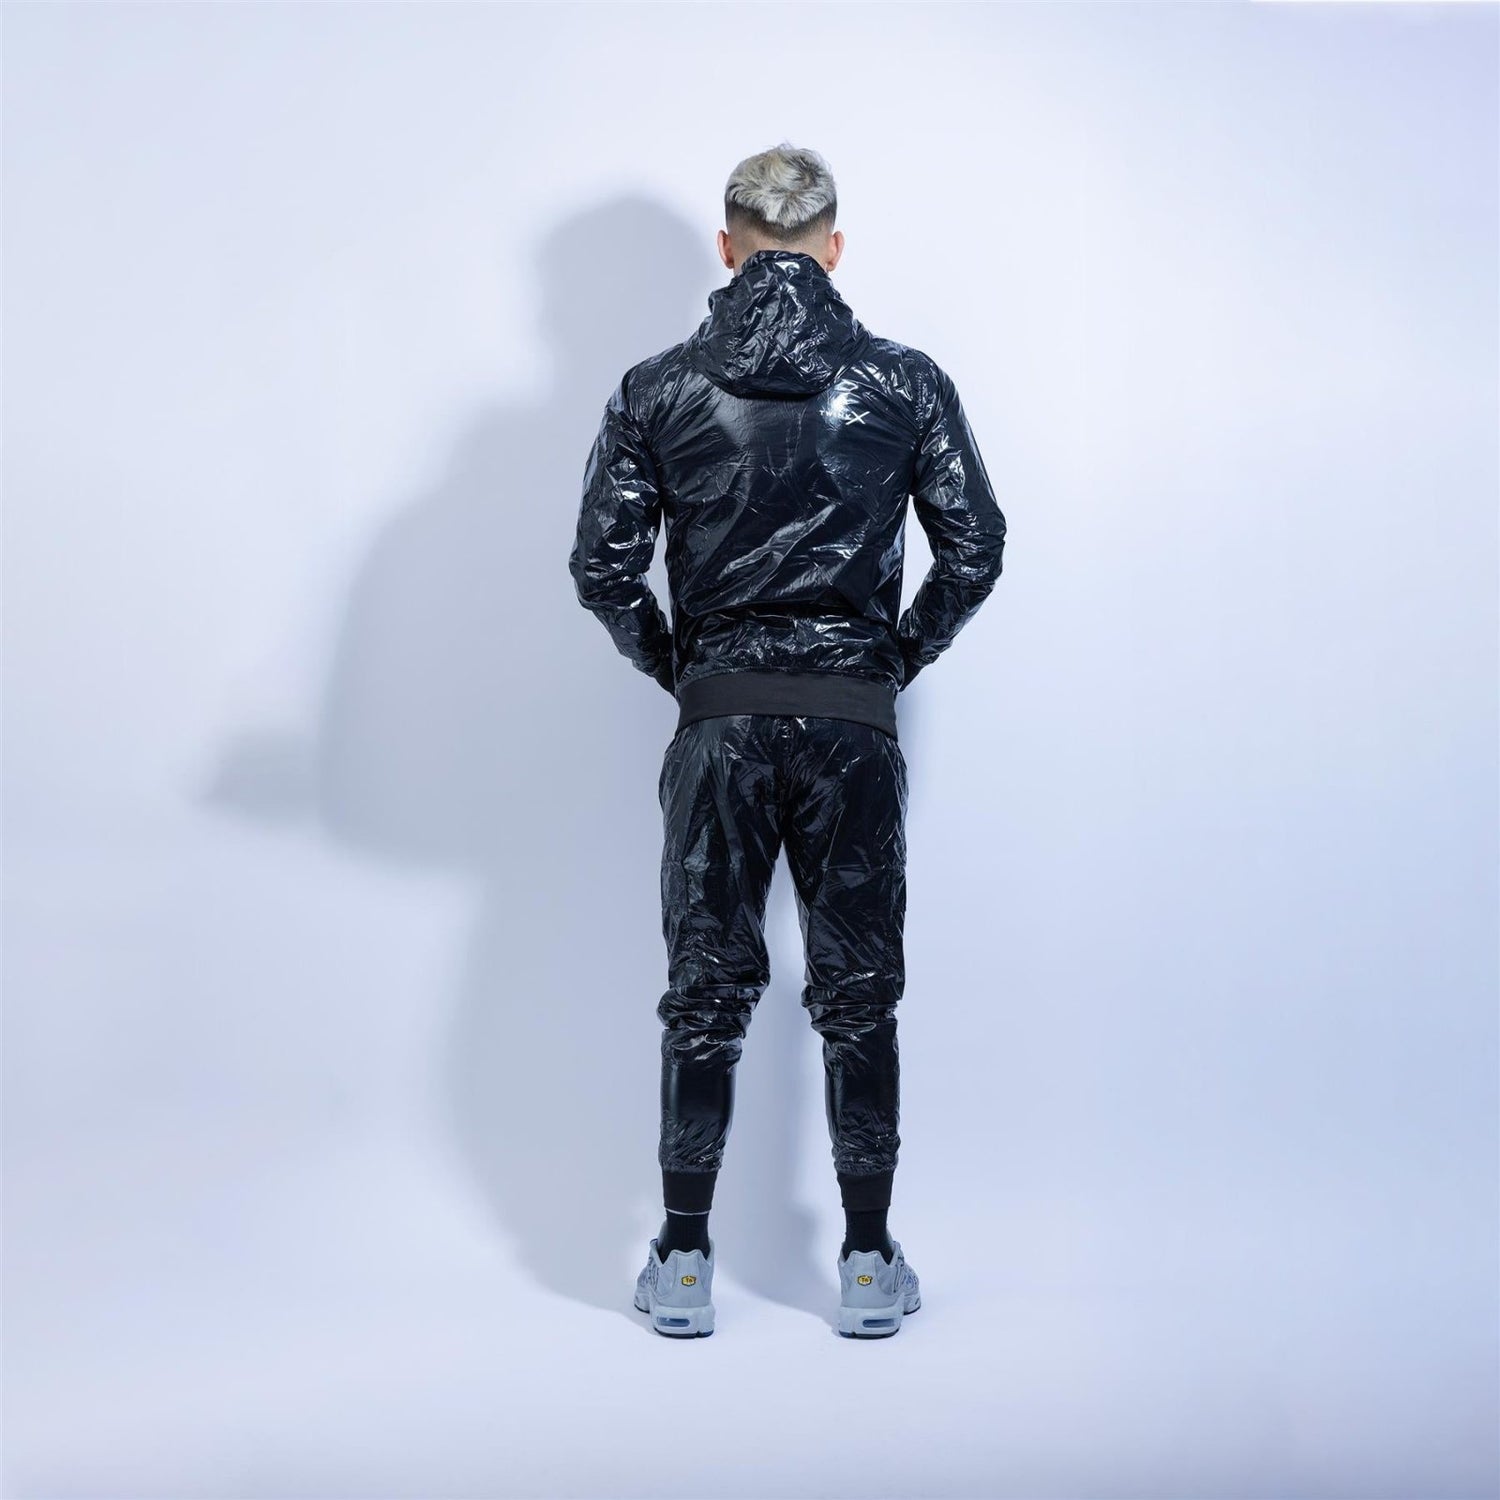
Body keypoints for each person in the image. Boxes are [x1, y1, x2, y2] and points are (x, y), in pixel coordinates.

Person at [569, 142, 1006, 1338]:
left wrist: (688, 672)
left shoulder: (657, 389)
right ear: (834, 247)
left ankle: (682, 1260)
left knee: (704, 993)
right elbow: (974, 548)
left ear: (728, 247)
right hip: (851, 728)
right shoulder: (903, 384)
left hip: (721, 725)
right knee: (858, 993)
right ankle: (864, 1262)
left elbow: (603, 566)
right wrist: (889, 661)